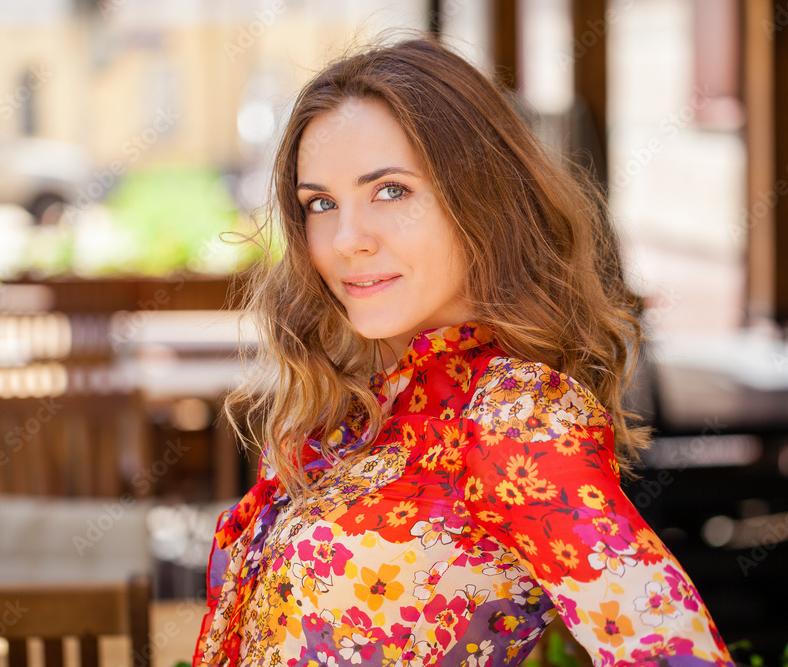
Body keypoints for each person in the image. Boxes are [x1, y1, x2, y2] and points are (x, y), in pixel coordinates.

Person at [193, 37, 734, 667]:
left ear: (481, 201)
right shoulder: (353, 406)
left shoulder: (515, 415)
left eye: (391, 191)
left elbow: (671, 648)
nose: (346, 240)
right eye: (321, 203)